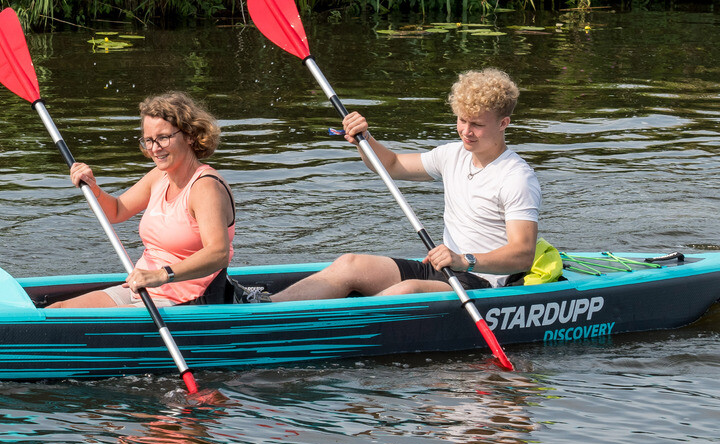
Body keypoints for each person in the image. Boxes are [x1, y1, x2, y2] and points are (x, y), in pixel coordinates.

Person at [272, 68, 539, 301]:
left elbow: (523, 254)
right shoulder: (451, 155)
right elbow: (392, 165)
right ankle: (264, 307)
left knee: (407, 290)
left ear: (504, 123)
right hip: (441, 269)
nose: (466, 132)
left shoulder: (516, 177)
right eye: (462, 120)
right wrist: (365, 139)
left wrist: (464, 260)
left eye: (477, 125)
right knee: (350, 263)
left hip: (483, 282)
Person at [53, 91, 235, 309]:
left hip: (183, 298)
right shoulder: (160, 176)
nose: (155, 148)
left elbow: (218, 254)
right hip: (142, 288)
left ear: (190, 135)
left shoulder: (205, 187)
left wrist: (161, 275)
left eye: (163, 138)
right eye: (149, 140)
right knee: (58, 309)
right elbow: (117, 211)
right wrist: (93, 187)